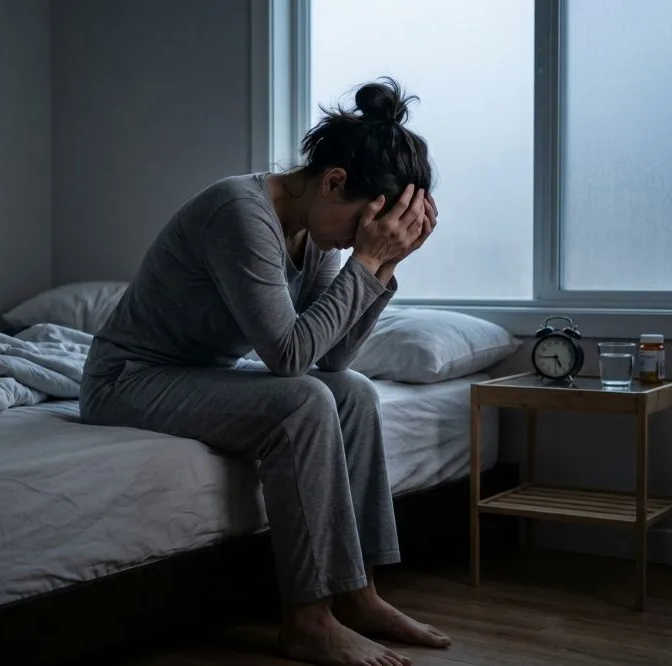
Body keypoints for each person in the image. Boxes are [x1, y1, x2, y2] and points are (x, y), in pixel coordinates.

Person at [79, 76, 447, 666]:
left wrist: (380, 268)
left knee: (350, 393)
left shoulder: (318, 231)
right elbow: (289, 358)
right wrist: (369, 258)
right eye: (359, 230)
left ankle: (358, 592)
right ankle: (308, 620)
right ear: (333, 182)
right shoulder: (240, 212)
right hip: (126, 378)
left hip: (195, 374)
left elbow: (333, 357)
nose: (357, 243)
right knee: (303, 402)